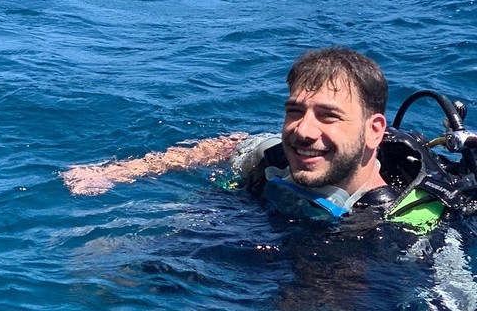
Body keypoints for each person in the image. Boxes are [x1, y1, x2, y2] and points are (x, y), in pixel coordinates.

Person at [63, 48, 455, 229]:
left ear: (374, 130)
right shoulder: (274, 157)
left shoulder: (417, 221)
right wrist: (122, 172)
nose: (303, 130)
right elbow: (228, 144)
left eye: (328, 116)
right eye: (294, 111)